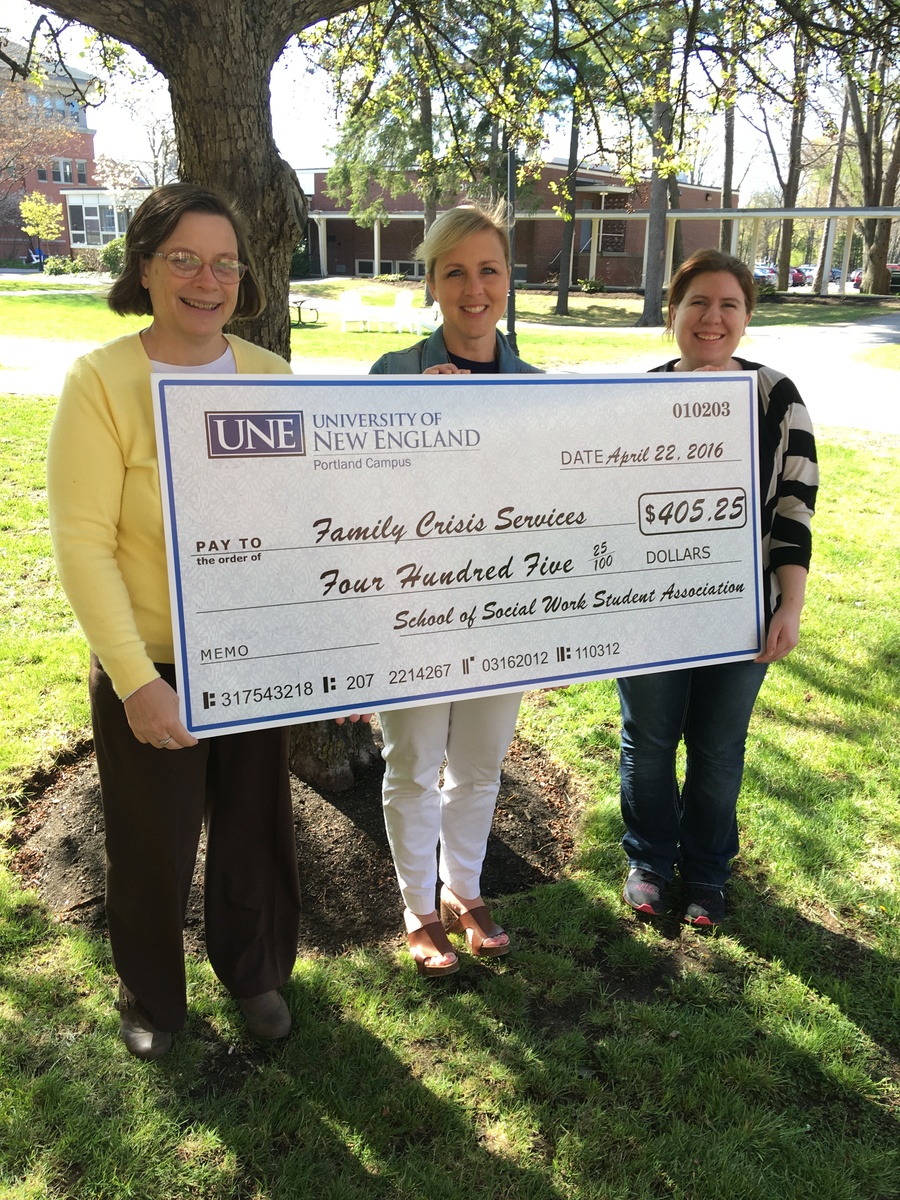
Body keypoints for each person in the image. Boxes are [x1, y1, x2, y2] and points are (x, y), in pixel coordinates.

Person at [47, 183, 301, 1060]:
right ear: (146, 268)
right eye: (185, 260)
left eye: (225, 262)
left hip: (256, 657)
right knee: (151, 846)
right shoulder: (104, 382)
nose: (208, 279)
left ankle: (254, 970)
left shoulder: (269, 377)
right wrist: (136, 680)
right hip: (153, 662)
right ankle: (150, 996)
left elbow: (306, 522)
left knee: (254, 828)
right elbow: (82, 544)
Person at [618, 248, 819, 927]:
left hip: (741, 612)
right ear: (673, 311)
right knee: (647, 741)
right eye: (698, 302)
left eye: (729, 304)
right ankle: (649, 860)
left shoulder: (777, 397)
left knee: (717, 747)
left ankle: (706, 874)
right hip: (648, 614)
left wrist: (788, 606)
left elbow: (793, 510)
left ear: (747, 317)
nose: (713, 318)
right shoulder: (636, 400)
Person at [369, 203, 540, 976]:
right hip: (414, 609)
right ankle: (416, 907)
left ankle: (465, 891)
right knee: (412, 762)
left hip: (500, 614)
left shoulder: (539, 390)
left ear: (509, 280)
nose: (474, 289)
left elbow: (548, 514)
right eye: (455, 272)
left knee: (478, 763)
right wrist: (413, 427)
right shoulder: (392, 377)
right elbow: (358, 506)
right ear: (432, 282)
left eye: (489, 269)